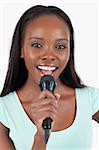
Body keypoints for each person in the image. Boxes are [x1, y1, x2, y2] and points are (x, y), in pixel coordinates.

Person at [0, 5, 99, 150]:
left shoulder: (91, 98)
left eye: (60, 47)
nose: (49, 56)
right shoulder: (4, 111)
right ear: (21, 49)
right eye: (37, 45)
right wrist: (40, 136)